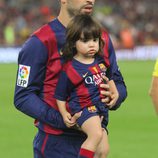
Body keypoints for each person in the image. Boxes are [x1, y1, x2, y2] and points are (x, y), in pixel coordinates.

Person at [14, 0, 127, 158]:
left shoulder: (102, 38)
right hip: (56, 145)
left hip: (97, 142)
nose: (90, 0)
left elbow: (118, 82)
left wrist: (116, 96)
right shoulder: (38, 42)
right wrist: (64, 120)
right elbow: (23, 96)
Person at [55, 14, 120, 158]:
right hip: (83, 108)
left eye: (95, 40)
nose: (92, 44)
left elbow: (109, 76)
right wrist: (64, 113)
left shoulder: (101, 61)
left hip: (100, 110)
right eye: (85, 41)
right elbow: (59, 95)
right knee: (95, 134)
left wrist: (114, 91)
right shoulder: (71, 68)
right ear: (73, 43)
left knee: (103, 151)